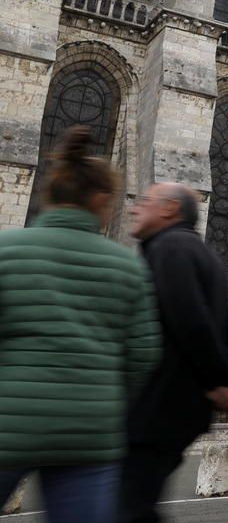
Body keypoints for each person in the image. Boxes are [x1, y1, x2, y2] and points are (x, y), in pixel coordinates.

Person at [0, 127, 161, 523]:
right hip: (89, 436)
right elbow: (143, 358)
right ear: (100, 200)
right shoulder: (128, 267)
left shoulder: (7, 252)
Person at [120, 182, 228, 523]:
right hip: (179, 408)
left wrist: (221, 383)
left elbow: (191, 323)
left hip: (157, 405)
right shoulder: (203, 253)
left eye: (144, 202)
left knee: (127, 507)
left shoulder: (171, 247)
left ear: (168, 209)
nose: (135, 208)